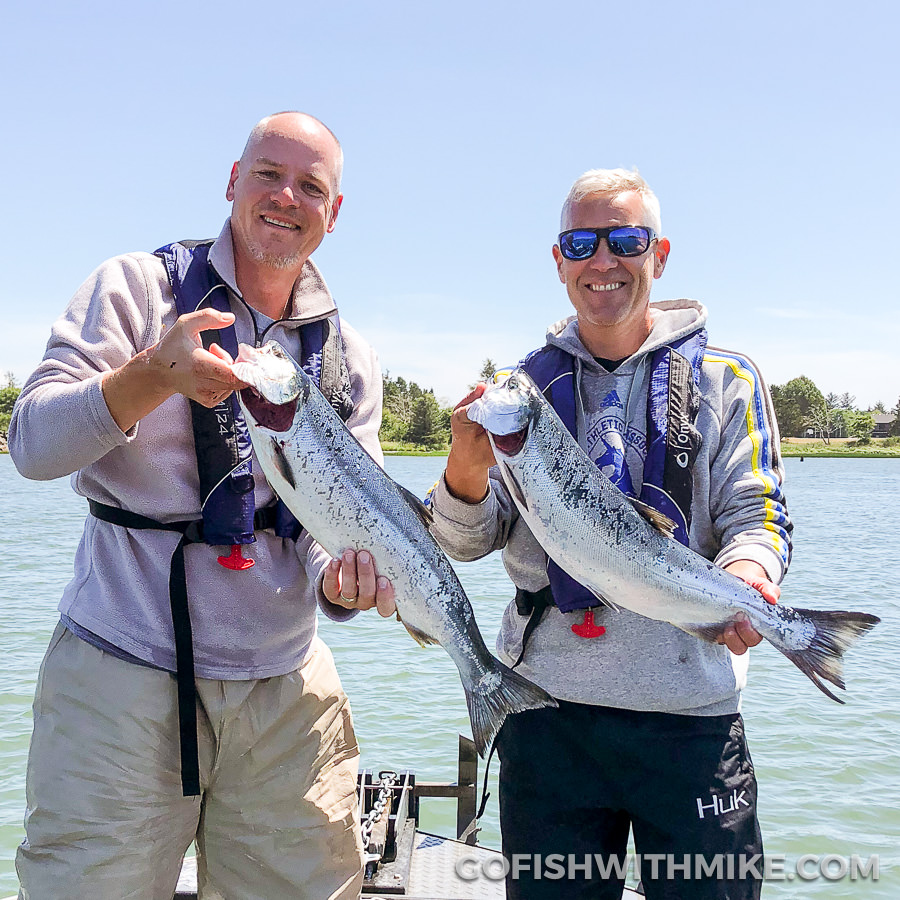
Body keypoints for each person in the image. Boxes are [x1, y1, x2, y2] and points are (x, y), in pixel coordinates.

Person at [9, 112, 396, 900]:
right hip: (120, 675)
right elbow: (32, 447)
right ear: (231, 180)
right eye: (268, 174)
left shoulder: (351, 357)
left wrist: (343, 583)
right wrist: (152, 373)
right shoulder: (133, 288)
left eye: (311, 186)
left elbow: (337, 528)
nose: (287, 197)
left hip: (289, 695)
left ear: (334, 212)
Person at [429, 169, 790, 900]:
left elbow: (759, 517)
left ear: (658, 255)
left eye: (625, 240)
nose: (603, 261)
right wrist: (464, 468)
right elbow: (465, 541)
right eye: (580, 242)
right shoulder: (517, 390)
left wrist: (751, 572)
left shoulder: (730, 379)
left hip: (691, 721)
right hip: (545, 715)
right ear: (558, 261)